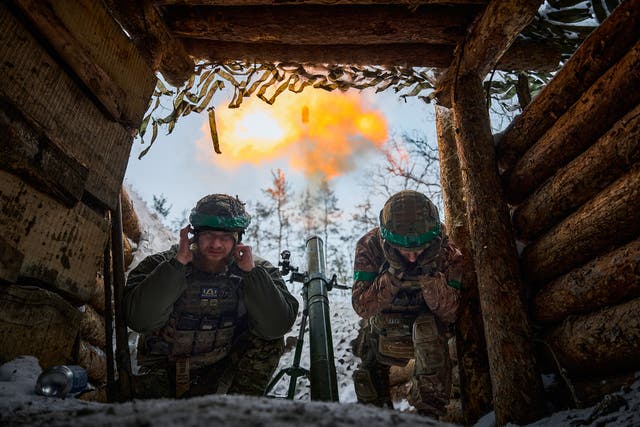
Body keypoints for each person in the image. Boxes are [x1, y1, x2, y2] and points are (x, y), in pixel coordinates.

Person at [124, 194, 299, 398]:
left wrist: (252, 275)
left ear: (238, 240)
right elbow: (139, 320)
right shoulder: (160, 265)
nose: (216, 244)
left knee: (269, 342)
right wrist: (176, 266)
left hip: (222, 370)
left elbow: (276, 326)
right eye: (209, 235)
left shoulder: (258, 270)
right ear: (194, 235)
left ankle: (240, 411)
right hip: (165, 368)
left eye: (225, 237)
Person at [351, 190, 463, 417]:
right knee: (368, 340)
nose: (412, 258)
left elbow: (451, 313)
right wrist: (392, 274)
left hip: (428, 324)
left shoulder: (447, 251)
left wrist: (429, 276)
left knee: (427, 331)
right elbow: (362, 306)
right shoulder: (369, 246)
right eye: (405, 251)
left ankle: (428, 415)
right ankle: (376, 414)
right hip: (384, 322)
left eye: (419, 250)